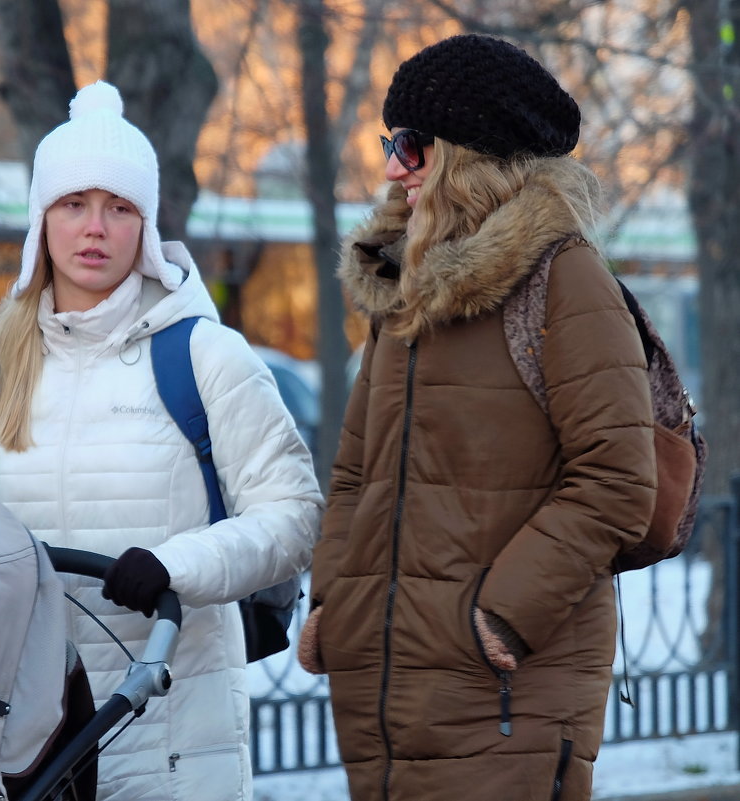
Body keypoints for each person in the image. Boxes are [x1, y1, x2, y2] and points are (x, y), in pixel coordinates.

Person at [301, 34, 656, 801]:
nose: (393, 167)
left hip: (504, 694)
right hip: (388, 696)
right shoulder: (405, 288)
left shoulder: (565, 279)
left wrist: (498, 618)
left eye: (411, 144)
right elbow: (355, 472)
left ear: (471, 154)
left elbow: (617, 480)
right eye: (389, 142)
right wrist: (335, 597)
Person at [0, 80, 323, 801]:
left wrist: (174, 565)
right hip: (29, 738)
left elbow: (292, 517)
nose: (95, 228)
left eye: (118, 208)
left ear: (145, 224)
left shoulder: (206, 356)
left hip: (171, 729)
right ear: (41, 220)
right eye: (74, 204)